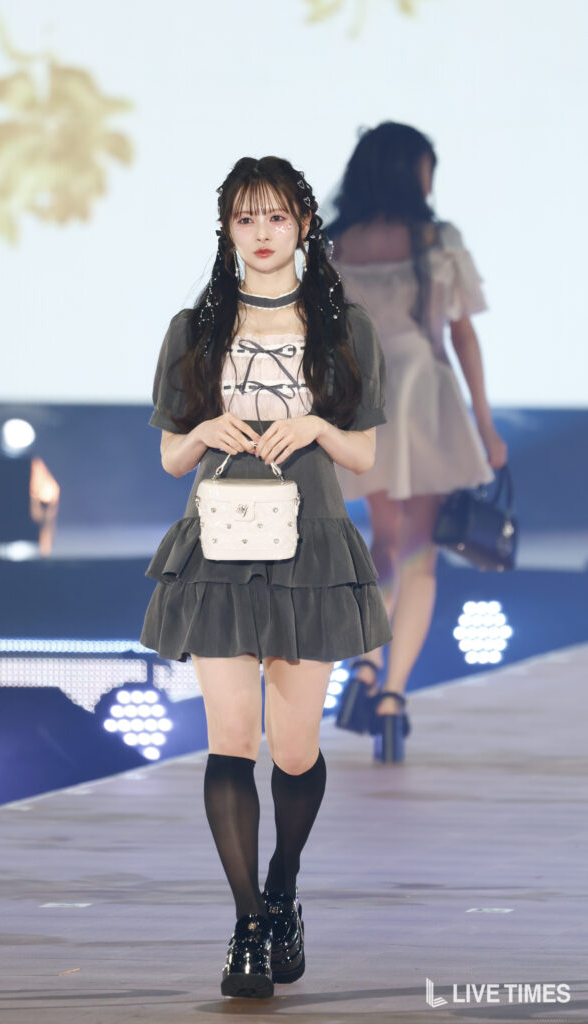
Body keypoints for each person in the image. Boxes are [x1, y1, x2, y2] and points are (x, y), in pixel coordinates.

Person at [140, 156, 392, 998]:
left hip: (308, 548)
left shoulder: (344, 330)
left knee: (294, 749)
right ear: (226, 231)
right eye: (245, 219)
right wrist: (207, 429)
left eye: (275, 218)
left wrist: (313, 421)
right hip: (215, 550)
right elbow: (173, 455)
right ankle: (248, 924)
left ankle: (282, 885)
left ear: (303, 227)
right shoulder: (194, 331)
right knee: (228, 742)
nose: (260, 233)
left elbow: (361, 453)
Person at [327, 122, 508, 755]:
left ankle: (368, 664)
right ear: (412, 172)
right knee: (421, 555)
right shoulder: (435, 240)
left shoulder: (334, 244)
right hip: (424, 394)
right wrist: (484, 425)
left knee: (387, 544)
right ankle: (392, 699)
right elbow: (460, 336)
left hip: (365, 398)